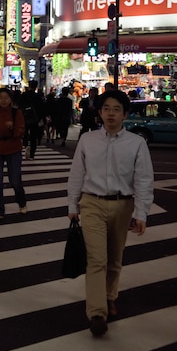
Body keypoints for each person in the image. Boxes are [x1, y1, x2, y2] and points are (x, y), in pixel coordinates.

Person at [66, 89, 154, 337]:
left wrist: (142, 213)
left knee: (114, 259)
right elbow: (76, 174)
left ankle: (108, 296)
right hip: (91, 203)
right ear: (100, 112)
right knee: (97, 260)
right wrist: (73, 205)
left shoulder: (136, 143)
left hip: (122, 204)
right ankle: (96, 312)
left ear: (125, 114)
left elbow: (144, 179)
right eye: (106, 109)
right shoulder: (88, 140)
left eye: (116, 109)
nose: (111, 113)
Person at [0, 88, 27, 220]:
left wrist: (12, 128)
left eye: (6, 98)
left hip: (13, 149)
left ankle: (22, 202)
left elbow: (21, 132)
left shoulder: (16, 113)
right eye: (1, 98)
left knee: (15, 181)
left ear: (10, 99)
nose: (3, 100)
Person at [18, 80, 45, 160]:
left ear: (29, 86)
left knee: (25, 133)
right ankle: (32, 153)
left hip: (25, 117)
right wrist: (42, 119)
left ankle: (26, 146)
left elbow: (20, 106)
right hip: (35, 118)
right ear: (36, 87)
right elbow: (41, 109)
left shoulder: (24, 95)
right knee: (34, 136)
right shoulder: (38, 97)